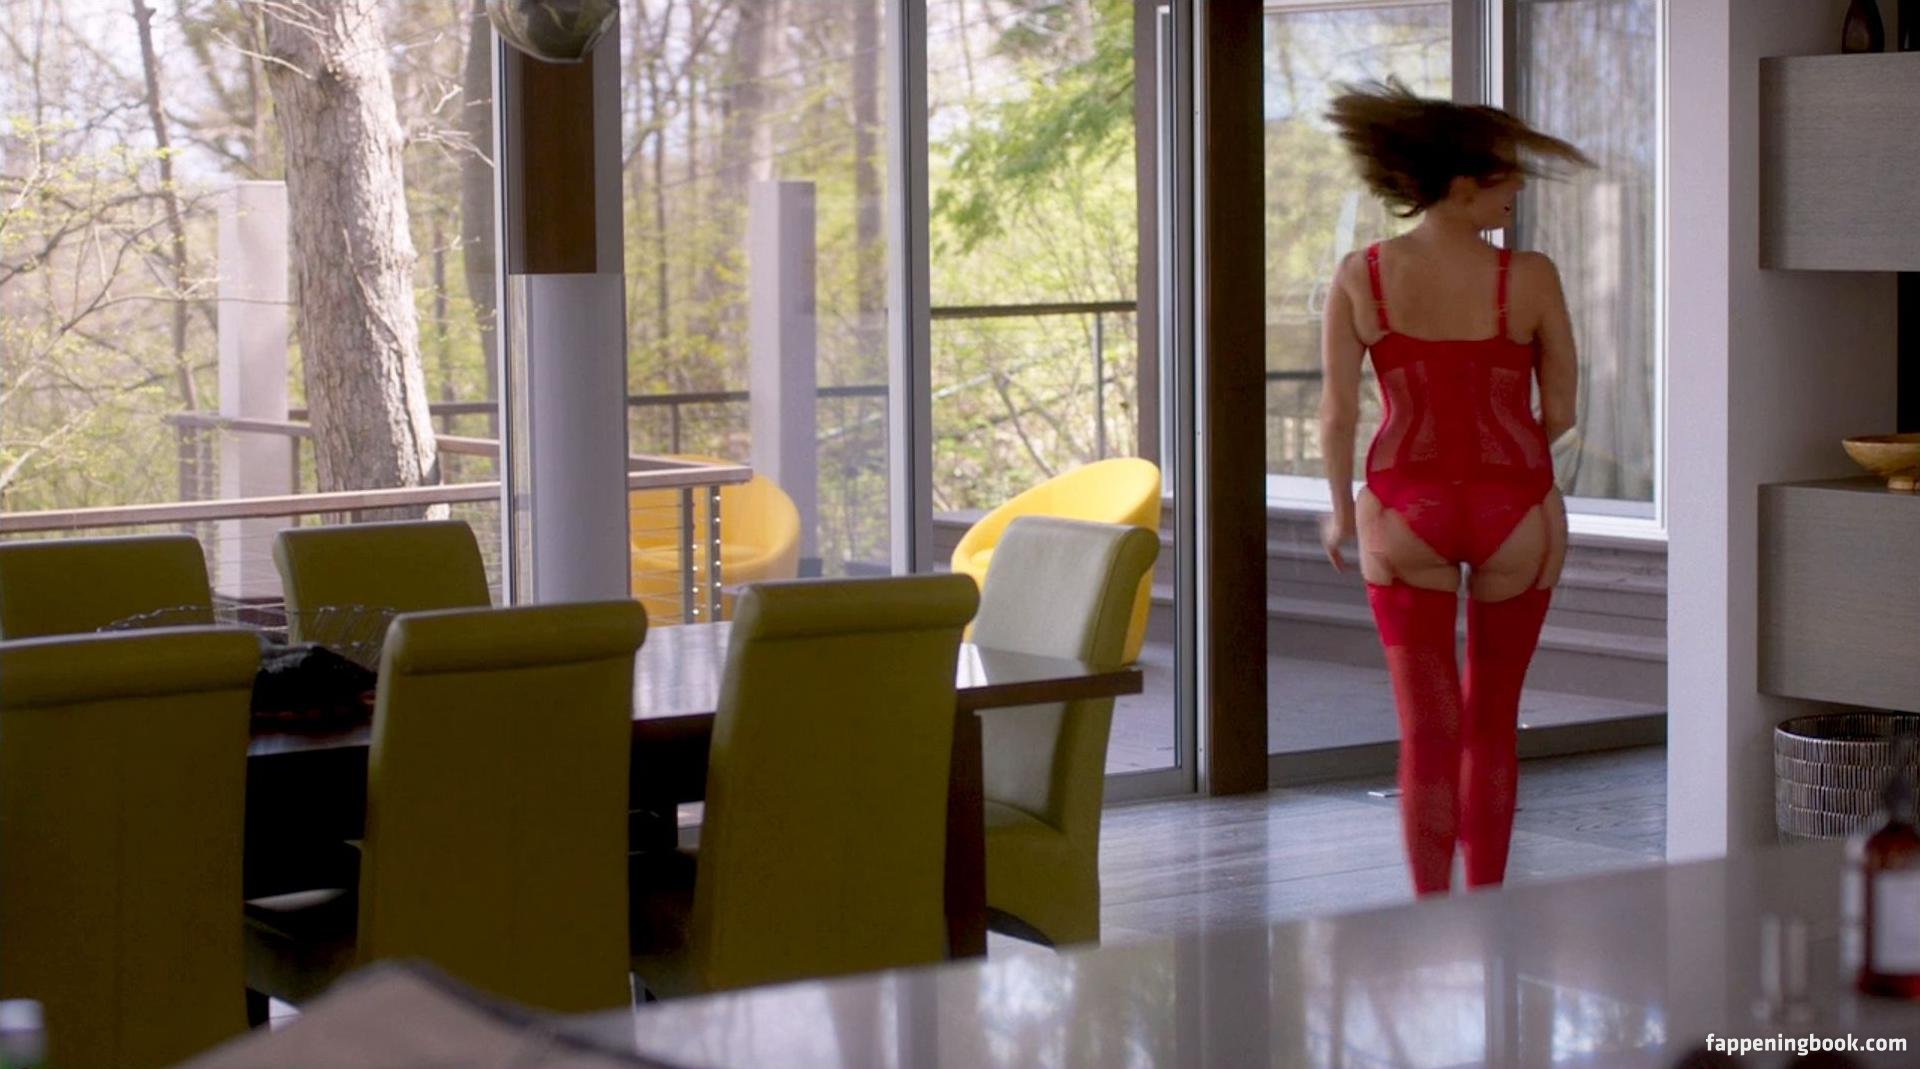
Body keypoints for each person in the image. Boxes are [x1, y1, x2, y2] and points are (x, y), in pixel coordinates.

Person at [1317, 80, 1589, 896]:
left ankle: (1429, 915)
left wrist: (1339, 512)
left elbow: (1337, 413)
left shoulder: (1362, 275)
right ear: (1463, 183)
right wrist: (1515, 471)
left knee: (1426, 733)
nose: (1520, 186)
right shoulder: (1530, 277)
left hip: (1403, 512)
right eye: (1507, 173)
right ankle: (1488, 915)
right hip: (1518, 510)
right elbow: (1563, 411)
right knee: (1492, 725)